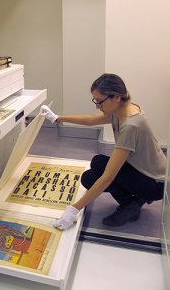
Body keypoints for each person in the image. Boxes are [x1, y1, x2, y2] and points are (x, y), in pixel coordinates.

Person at [40, 73, 166, 230]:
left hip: (155, 183)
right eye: (95, 100)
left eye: (99, 101)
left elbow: (108, 178)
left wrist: (73, 210)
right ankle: (137, 199)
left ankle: (131, 206)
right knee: (95, 166)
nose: (97, 106)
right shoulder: (124, 109)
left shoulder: (130, 125)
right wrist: (57, 117)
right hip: (147, 171)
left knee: (97, 177)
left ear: (116, 97)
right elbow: (91, 120)